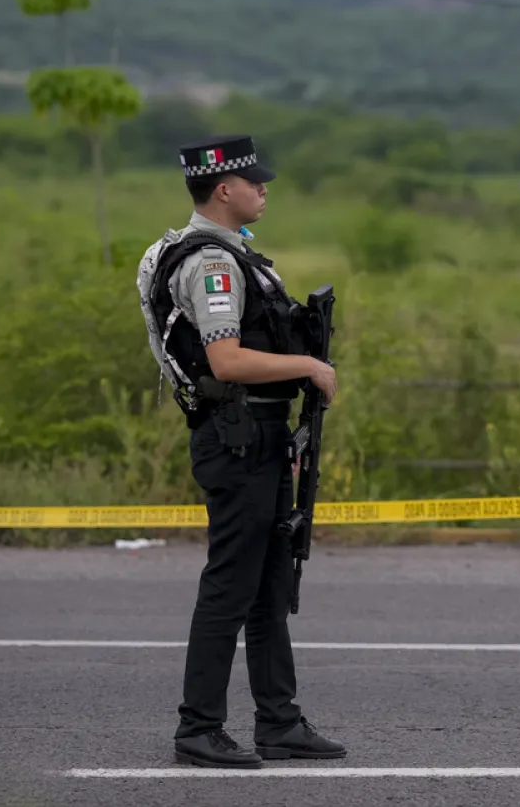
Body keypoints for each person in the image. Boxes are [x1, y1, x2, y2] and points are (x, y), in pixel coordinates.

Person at [136, 134, 343, 769]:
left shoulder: (204, 252)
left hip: (258, 435)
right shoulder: (213, 264)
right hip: (239, 436)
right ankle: (198, 729)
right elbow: (225, 360)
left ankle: (280, 722)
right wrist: (308, 362)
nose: (264, 189)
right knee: (231, 584)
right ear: (223, 189)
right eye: (255, 182)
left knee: (270, 582)